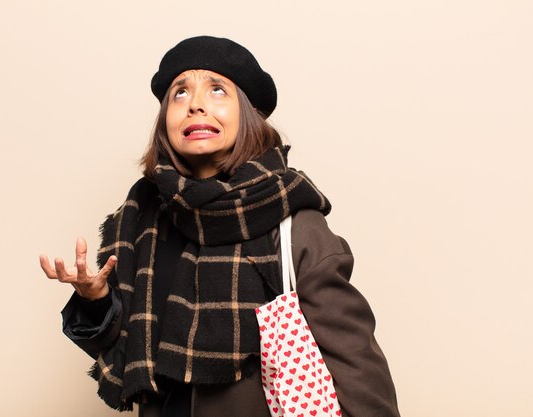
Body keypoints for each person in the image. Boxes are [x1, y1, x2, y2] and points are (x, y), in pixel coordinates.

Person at [39, 36, 400, 417]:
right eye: (180, 93)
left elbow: (354, 358)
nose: (195, 104)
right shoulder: (146, 219)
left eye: (216, 90)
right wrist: (95, 301)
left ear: (248, 114)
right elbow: (127, 346)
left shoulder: (293, 222)